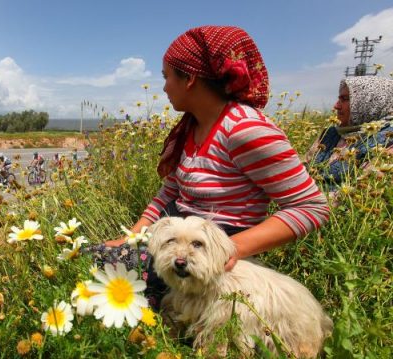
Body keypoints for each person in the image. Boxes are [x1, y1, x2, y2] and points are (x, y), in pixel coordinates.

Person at [96, 25, 330, 309]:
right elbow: (168, 193)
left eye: (166, 76)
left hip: (211, 250)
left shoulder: (245, 129)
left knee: (103, 284)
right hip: (176, 238)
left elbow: (310, 206)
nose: (164, 87)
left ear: (190, 78)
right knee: (97, 259)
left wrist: (230, 250)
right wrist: (130, 239)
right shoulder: (192, 127)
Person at [305, 76, 393, 188]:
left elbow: (365, 193)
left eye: (345, 99)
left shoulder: (386, 141)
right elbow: (305, 169)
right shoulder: (331, 133)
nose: (336, 106)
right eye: (339, 99)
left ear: (370, 102)